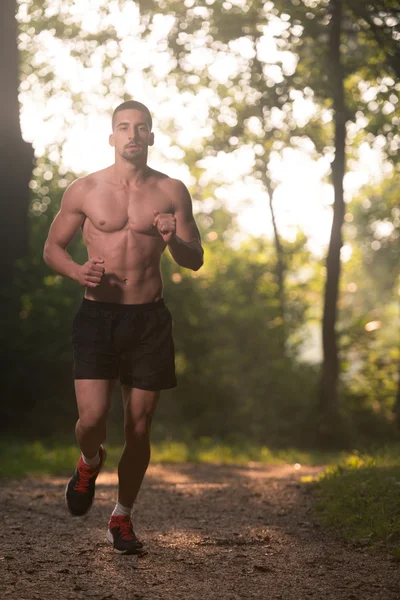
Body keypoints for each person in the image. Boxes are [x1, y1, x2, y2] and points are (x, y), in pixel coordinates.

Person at [43, 100, 204, 555]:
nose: (132, 135)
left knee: (139, 427)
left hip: (150, 320)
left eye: (141, 128)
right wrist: (77, 272)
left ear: (151, 136)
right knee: (92, 421)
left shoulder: (172, 190)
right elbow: (52, 248)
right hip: (97, 318)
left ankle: (122, 516)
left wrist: (174, 240)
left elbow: (196, 260)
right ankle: (90, 461)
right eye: (123, 127)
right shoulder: (85, 190)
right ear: (111, 136)